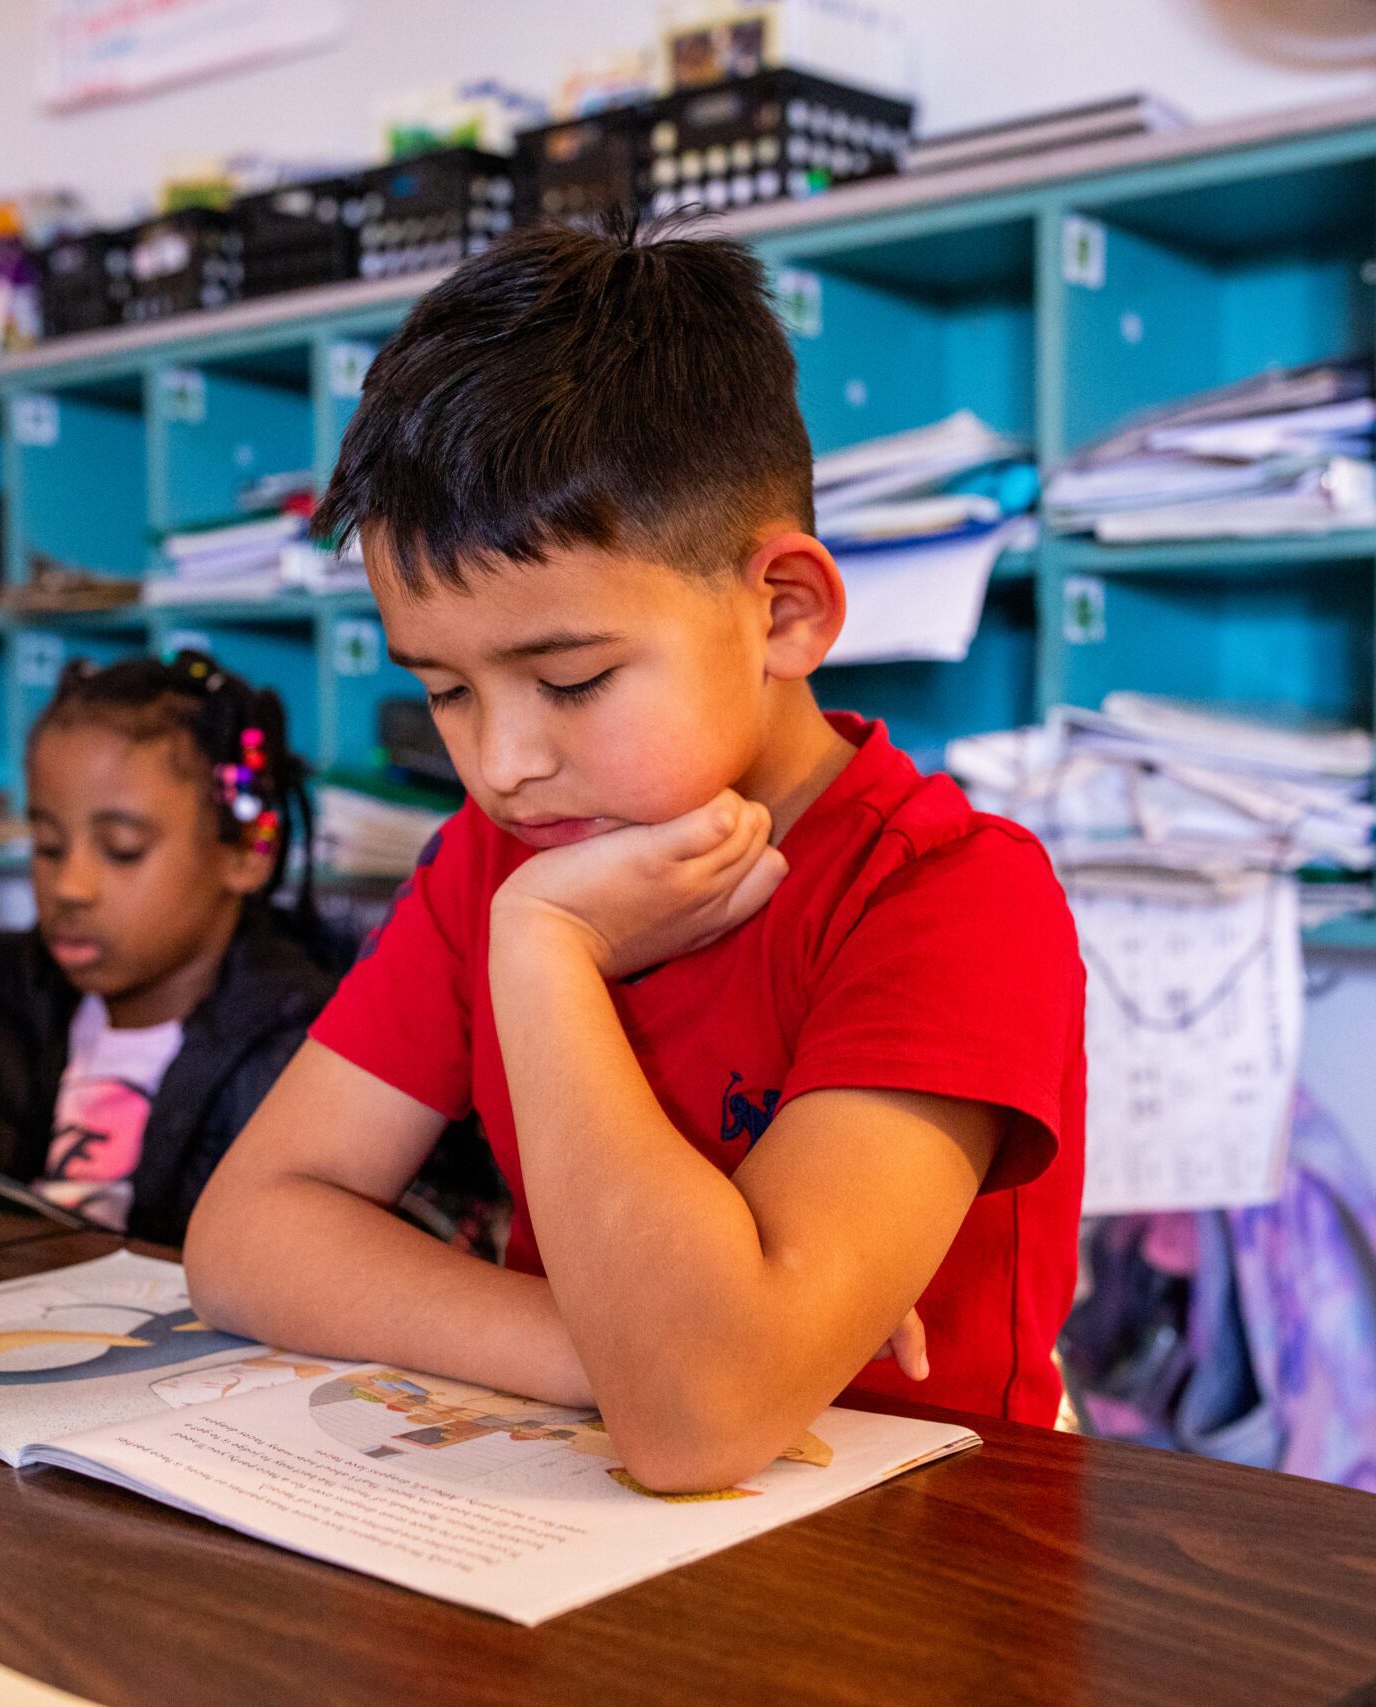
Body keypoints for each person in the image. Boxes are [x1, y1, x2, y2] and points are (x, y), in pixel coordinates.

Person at [184, 214, 1086, 1494]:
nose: (502, 765)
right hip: (562, 1522)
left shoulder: (948, 896)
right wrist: (602, 1349)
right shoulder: (494, 864)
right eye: (445, 692)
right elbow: (243, 1234)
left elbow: (696, 1423)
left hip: (921, 1544)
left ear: (784, 612)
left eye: (572, 680)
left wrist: (546, 954)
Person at [0, 653, 335, 1244]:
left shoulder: (313, 1049)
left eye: (122, 849)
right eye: (48, 846)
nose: (69, 887)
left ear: (246, 853)